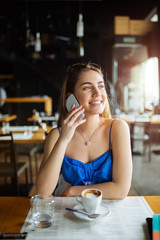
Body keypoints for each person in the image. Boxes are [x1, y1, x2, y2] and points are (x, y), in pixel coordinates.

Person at [36, 62, 132, 199]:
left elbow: (121, 190)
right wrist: (63, 140)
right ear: (71, 97)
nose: (97, 93)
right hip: (68, 215)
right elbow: (42, 193)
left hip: (109, 216)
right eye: (87, 88)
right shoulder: (56, 135)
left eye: (100, 86)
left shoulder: (118, 129)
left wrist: (73, 191)